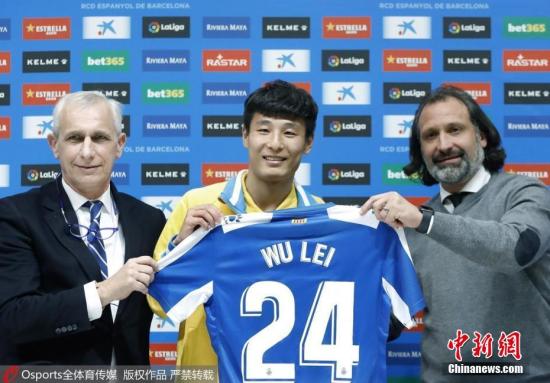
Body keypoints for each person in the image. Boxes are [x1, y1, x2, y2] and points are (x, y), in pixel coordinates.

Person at [361, 85, 550, 382]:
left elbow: (515, 248)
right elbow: (391, 318)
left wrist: (423, 220)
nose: (444, 144)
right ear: (420, 151)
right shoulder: (409, 227)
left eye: (455, 129)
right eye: (430, 135)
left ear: (482, 137)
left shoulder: (525, 193)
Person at [148, 79, 323, 368]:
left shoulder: (321, 218)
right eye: (263, 130)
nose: (275, 143)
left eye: (290, 132)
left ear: (308, 143)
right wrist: (183, 248)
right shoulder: (197, 203)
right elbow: (159, 304)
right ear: (245, 135)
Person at [0, 91, 166, 364]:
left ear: (120, 144)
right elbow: (13, 318)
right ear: (54, 145)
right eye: (75, 138)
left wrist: (185, 245)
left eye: (100, 138)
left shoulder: (149, 219)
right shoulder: (16, 215)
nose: (87, 152)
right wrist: (104, 292)